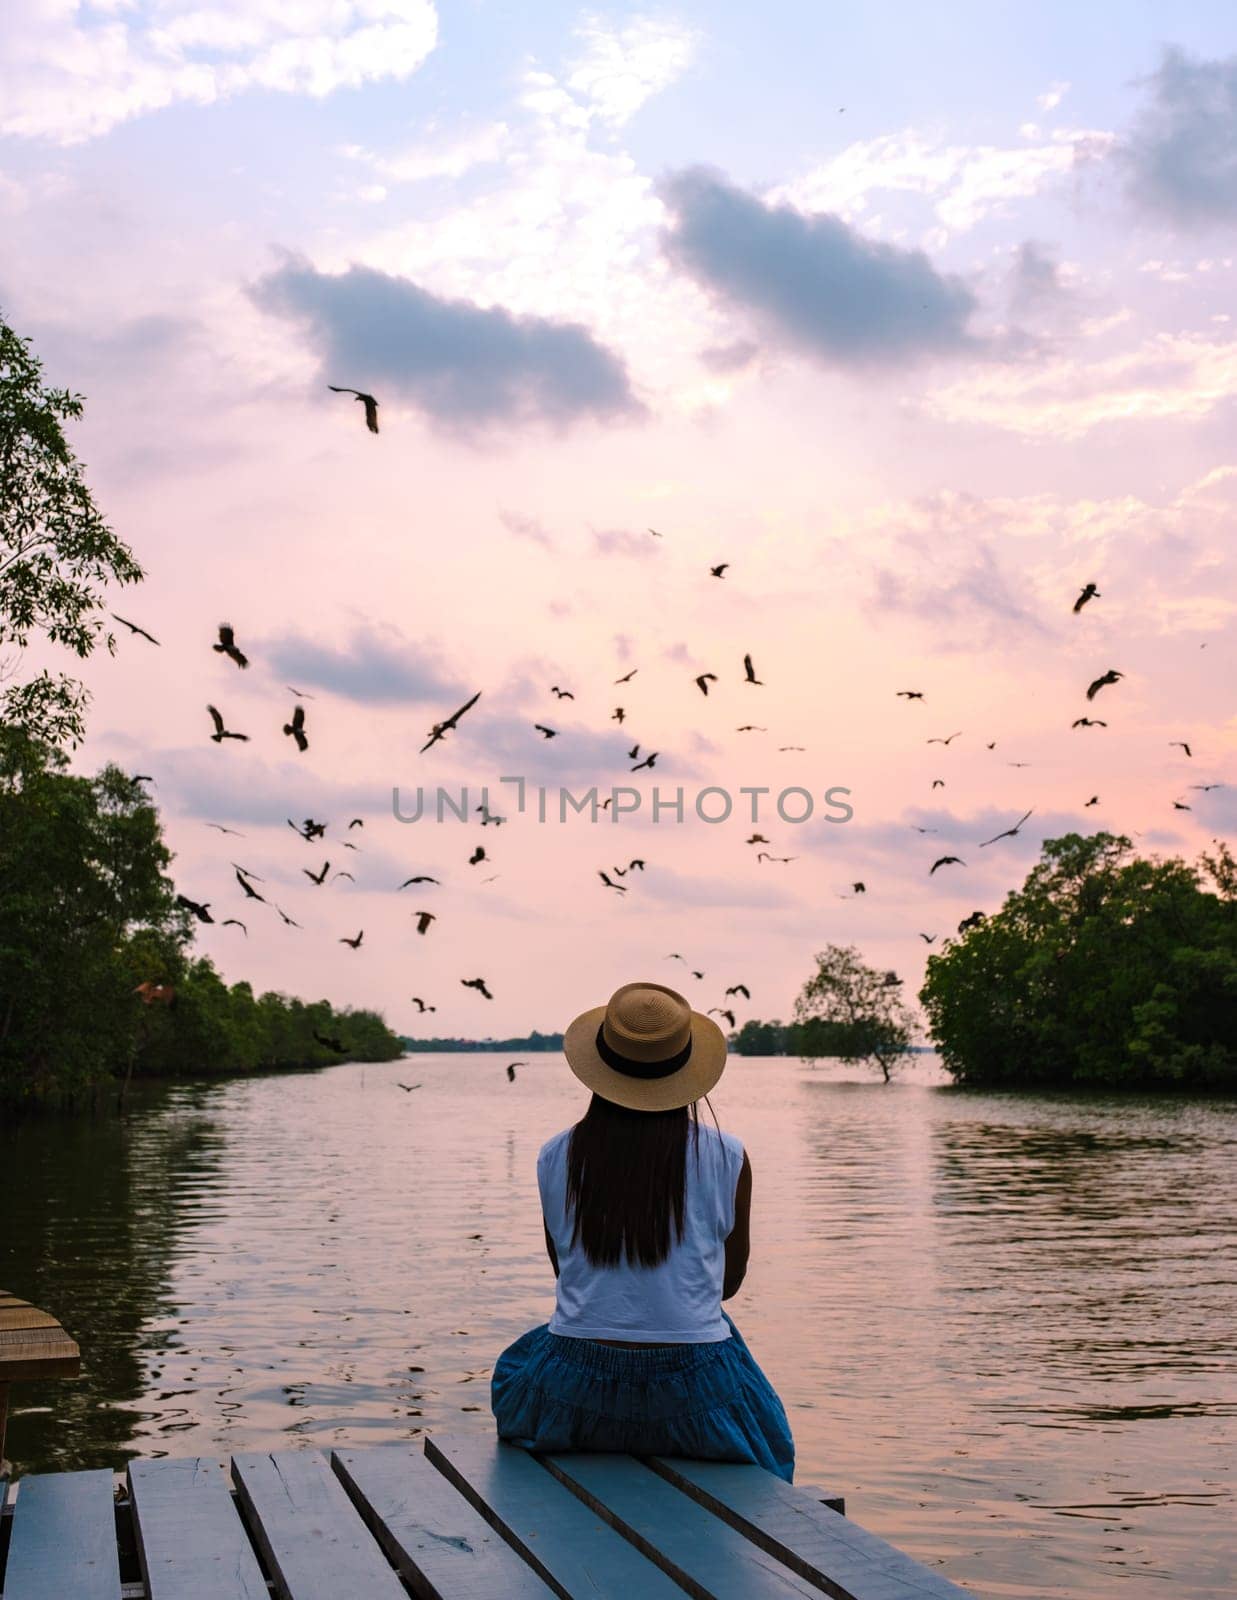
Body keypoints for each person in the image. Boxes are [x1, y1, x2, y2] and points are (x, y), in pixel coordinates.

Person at [490, 980, 795, 1481]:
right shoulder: (729, 1157)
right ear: (686, 1072)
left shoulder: (554, 1156)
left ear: (599, 1069)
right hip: (694, 1399)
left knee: (519, 1364)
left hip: (572, 1395)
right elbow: (726, 1286)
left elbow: (564, 1271)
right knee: (750, 1391)